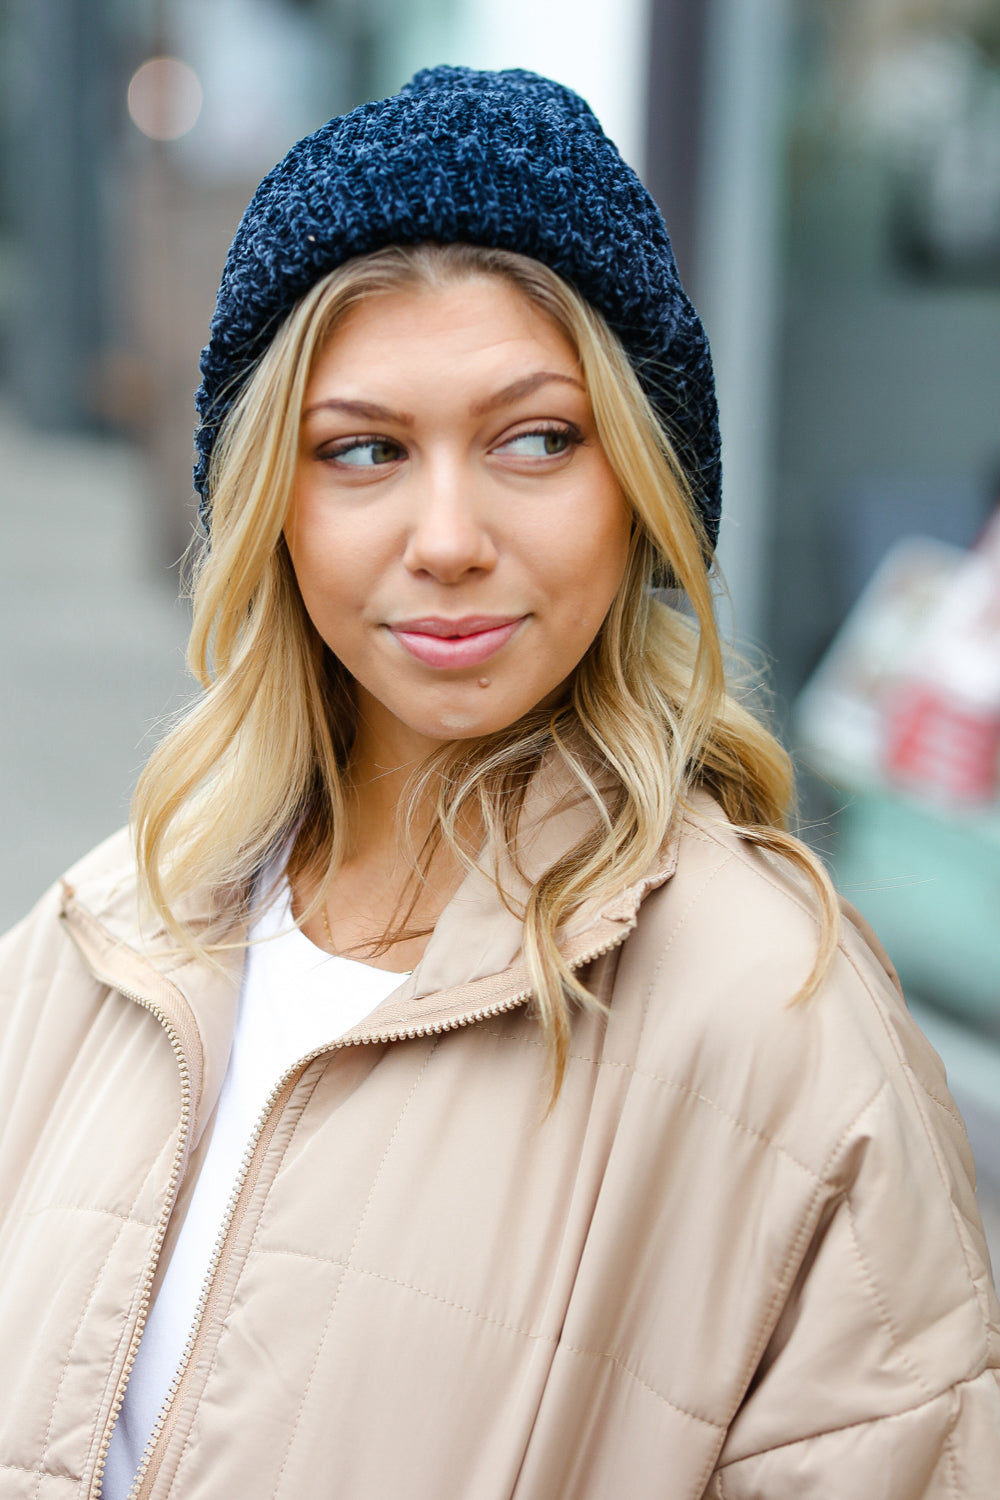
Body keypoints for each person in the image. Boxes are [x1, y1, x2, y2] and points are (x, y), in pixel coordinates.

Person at [0, 64, 997, 1500]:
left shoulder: (779, 1026)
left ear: (641, 485)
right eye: (364, 451)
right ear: (272, 503)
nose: (449, 535)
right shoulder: (107, 937)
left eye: (537, 438)